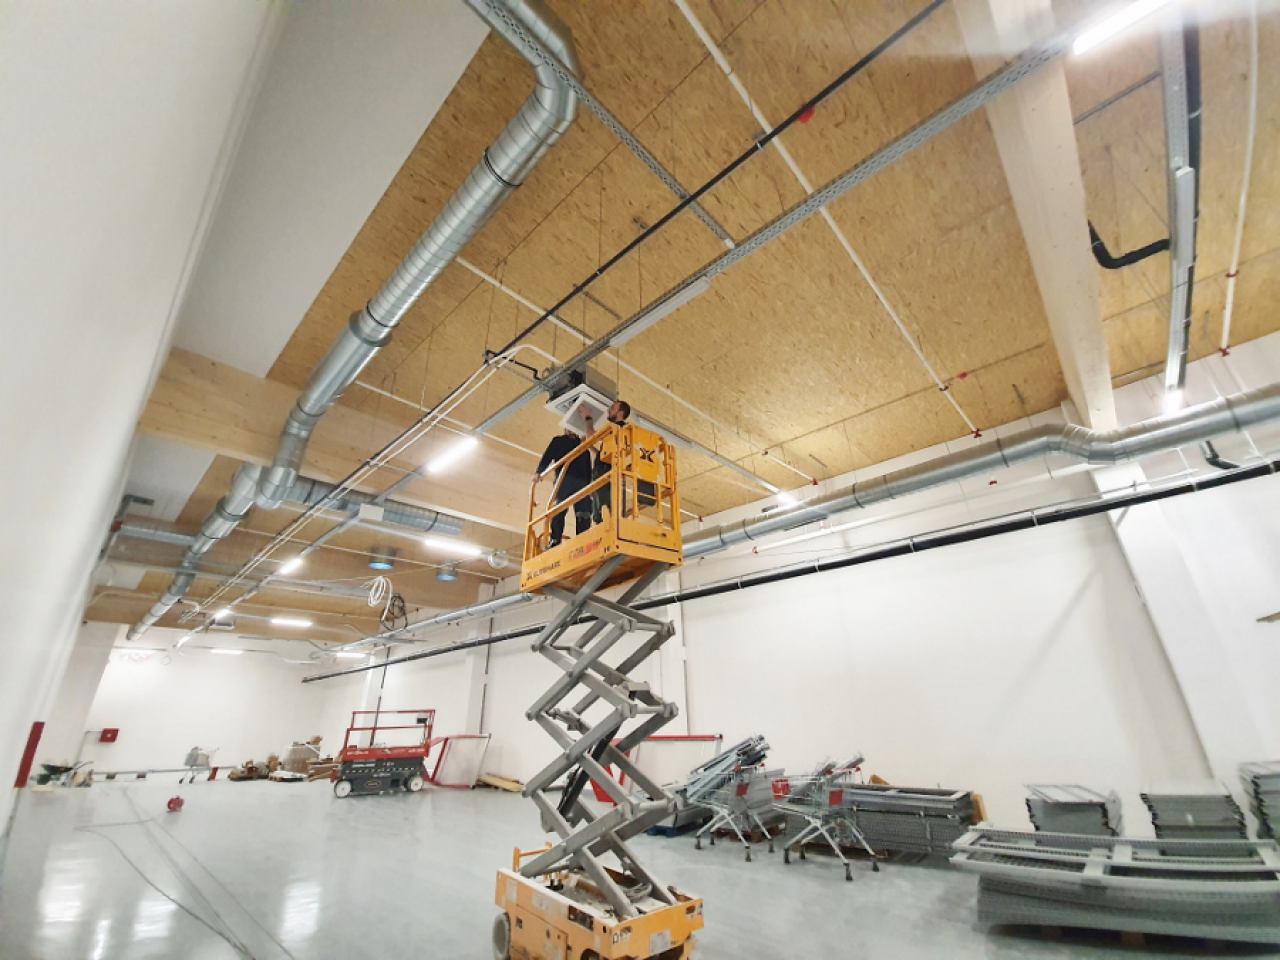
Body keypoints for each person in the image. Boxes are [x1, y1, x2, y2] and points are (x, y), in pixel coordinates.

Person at [535, 427, 592, 548]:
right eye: (569, 428)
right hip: (564, 479)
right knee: (559, 510)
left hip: (581, 483)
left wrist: (590, 488)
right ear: (565, 428)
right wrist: (539, 472)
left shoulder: (583, 447)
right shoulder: (558, 441)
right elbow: (547, 456)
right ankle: (555, 539)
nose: (571, 430)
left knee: (584, 512)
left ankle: (583, 540)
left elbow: (588, 470)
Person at [583, 400, 631, 525]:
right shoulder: (623, 431)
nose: (609, 410)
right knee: (609, 510)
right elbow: (607, 454)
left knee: (603, 512)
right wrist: (592, 449)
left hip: (605, 474)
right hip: (610, 472)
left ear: (621, 412)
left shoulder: (616, 427)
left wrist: (588, 417)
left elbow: (590, 436)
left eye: (613, 408)